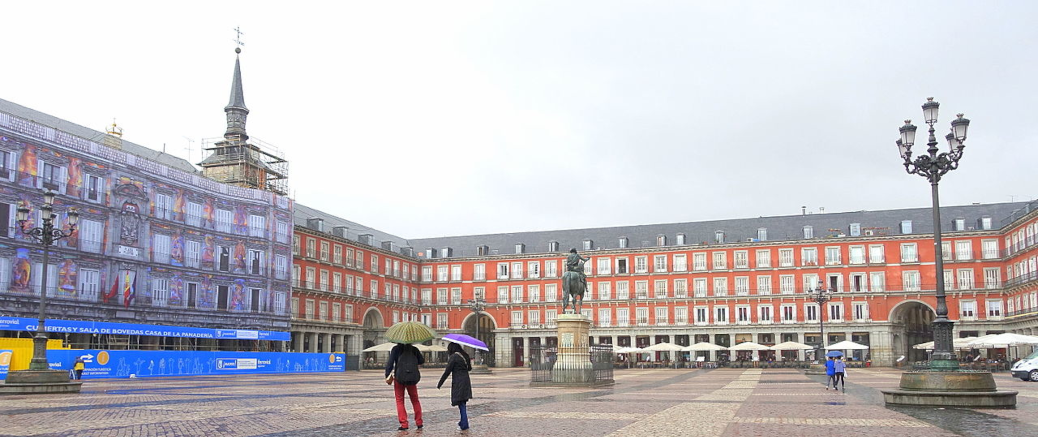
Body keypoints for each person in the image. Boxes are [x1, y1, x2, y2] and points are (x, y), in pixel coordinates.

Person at [385, 343, 425, 431]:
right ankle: (419, 422)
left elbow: (390, 363)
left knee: (400, 400)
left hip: (399, 377)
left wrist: (387, 375)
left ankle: (404, 423)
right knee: (415, 400)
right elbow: (422, 360)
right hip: (411, 377)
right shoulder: (414, 349)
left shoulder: (395, 349)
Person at [437, 343, 473, 431]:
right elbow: (469, 368)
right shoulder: (465, 355)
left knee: (461, 403)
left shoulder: (453, 357)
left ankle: (464, 424)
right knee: (463, 402)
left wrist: (440, 383)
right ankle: (462, 422)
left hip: (458, 381)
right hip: (466, 380)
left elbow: (447, 371)